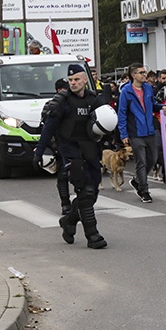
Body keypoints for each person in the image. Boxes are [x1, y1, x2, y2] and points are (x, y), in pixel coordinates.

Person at [34, 64, 108, 249]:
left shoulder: (93, 99)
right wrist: (39, 151)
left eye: (76, 79)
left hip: (90, 151)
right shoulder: (62, 101)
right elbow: (49, 127)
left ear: (85, 80)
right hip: (70, 152)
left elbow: (107, 120)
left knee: (92, 194)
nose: (73, 83)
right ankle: (93, 235)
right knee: (85, 191)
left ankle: (69, 221)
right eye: (71, 80)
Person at [117, 62, 158, 203]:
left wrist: (164, 107)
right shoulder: (126, 92)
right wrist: (124, 134)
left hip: (149, 130)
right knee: (141, 161)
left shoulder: (148, 88)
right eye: (141, 72)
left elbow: (153, 105)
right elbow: (122, 114)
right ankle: (144, 190)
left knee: (153, 159)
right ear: (133, 75)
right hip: (135, 132)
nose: (144, 75)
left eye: (144, 72)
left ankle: (136, 180)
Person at [37, 78, 73, 215]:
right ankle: (65, 203)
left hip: (74, 144)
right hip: (59, 144)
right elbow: (48, 128)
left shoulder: (74, 102)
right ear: (58, 90)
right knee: (63, 174)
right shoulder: (51, 105)